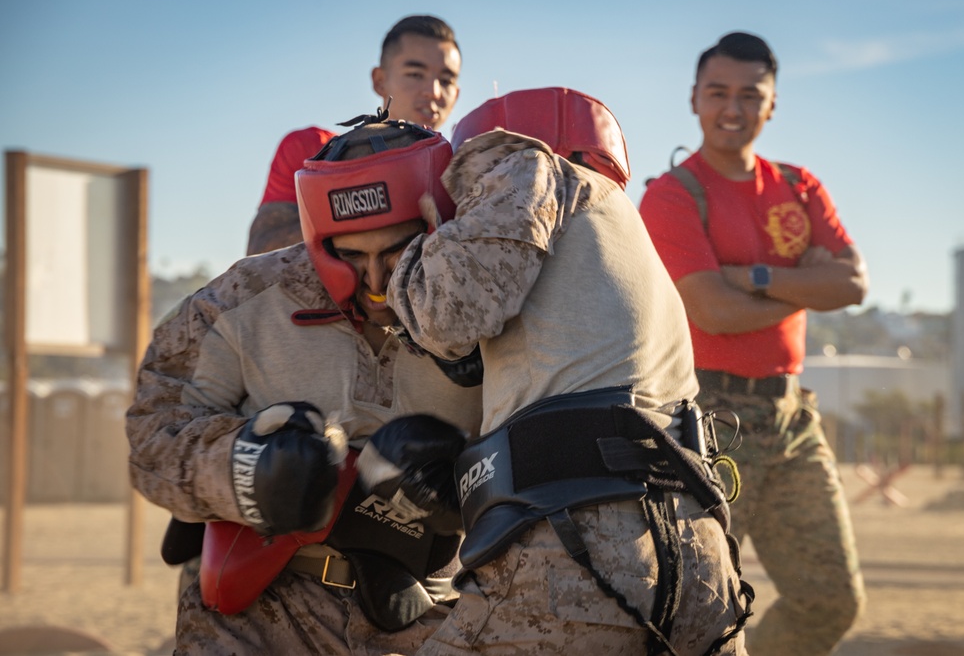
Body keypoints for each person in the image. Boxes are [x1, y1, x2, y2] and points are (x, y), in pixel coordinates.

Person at [371, 87, 752, 655]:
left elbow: (447, 313)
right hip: (698, 551)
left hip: (578, 544)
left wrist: (411, 257)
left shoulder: (525, 165)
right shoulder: (621, 225)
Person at [127, 116, 482, 654]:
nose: (378, 283)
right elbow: (151, 433)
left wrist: (466, 482)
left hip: (426, 620)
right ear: (320, 237)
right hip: (252, 618)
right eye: (351, 255)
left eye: (398, 253)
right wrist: (241, 467)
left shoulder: (496, 307)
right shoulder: (245, 297)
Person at [638, 32, 868, 655]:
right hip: (708, 421)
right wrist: (808, 284)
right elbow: (712, 310)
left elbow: (853, 283)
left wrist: (755, 278)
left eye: (750, 95)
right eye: (718, 93)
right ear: (693, 99)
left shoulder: (798, 186)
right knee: (694, 608)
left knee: (831, 601)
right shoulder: (671, 195)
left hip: (794, 419)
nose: (732, 108)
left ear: (773, 106)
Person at [247, 14, 462, 255]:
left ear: (456, 94)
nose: (433, 92)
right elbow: (260, 251)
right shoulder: (312, 151)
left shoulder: (468, 175)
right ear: (380, 81)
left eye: (445, 80)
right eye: (415, 74)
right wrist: (374, 201)